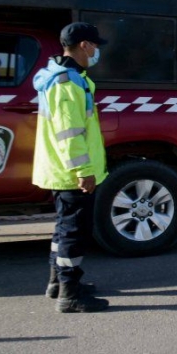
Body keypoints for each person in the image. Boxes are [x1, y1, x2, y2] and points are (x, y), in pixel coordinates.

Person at [32, 22, 110, 313]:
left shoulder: (64, 76)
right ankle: (70, 293)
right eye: (95, 45)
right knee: (74, 233)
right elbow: (70, 133)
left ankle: (57, 284)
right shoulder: (67, 83)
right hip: (71, 174)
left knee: (64, 229)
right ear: (84, 45)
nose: (97, 51)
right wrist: (83, 171)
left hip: (60, 169)